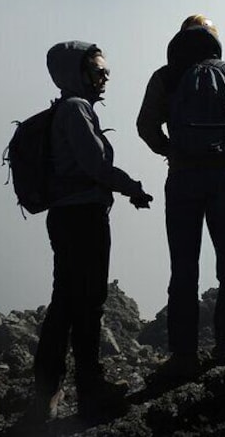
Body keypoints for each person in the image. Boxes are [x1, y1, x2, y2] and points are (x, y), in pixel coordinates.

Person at [28, 41, 153, 423]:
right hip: (83, 216)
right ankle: (90, 392)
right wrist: (132, 187)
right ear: (75, 74)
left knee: (66, 301)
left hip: (66, 217)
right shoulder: (76, 110)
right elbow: (95, 164)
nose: (105, 78)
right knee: (87, 302)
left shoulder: (64, 110)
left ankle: (46, 392)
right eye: (98, 71)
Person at [137, 15, 225, 378]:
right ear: (213, 40)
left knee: (183, 269)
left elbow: (145, 127)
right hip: (224, 178)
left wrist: (174, 152)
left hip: (181, 180)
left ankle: (183, 355)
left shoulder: (166, 76)